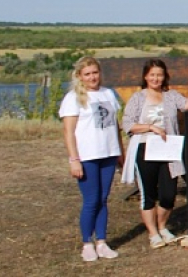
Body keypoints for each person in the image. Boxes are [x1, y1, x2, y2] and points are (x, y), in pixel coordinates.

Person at [121, 59, 188, 249]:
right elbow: (128, 124)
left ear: (164, 76)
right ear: (146, 76)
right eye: (152, 75)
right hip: (145, 148)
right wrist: (150, 127)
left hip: (168, 149)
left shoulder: (171, 96)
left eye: (160, 75)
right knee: (148, 193)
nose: (156, 78)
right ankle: (153, 233)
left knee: (168, 193)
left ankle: (163, 226)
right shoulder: (138, 98)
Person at [60, 57, 123, 262]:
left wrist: (120, 154)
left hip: (108, 154)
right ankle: (87, 243)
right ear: (80, 76)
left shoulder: (108, 93)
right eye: (87, 74)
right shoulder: (73, 98)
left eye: (95, 72)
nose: (92, 77)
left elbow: (116, 126)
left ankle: (102, 242)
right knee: (91, 200)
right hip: (87, 156)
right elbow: (68, 132)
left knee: (103, 199)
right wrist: (73, 159)